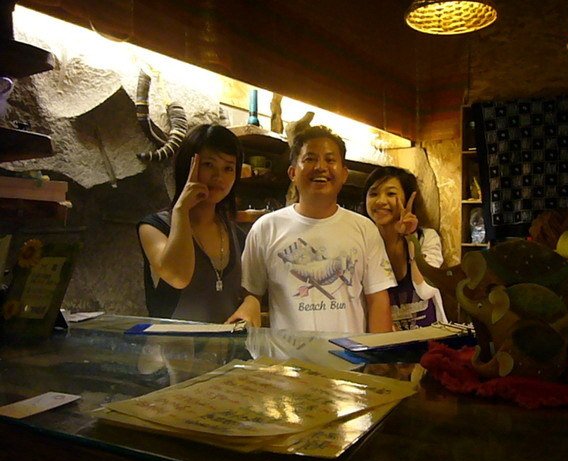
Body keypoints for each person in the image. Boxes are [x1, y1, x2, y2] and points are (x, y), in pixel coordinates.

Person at [228, 126, 395, 333]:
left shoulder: (365, 229)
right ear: (292, 173)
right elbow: (252, 293)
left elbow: (378, 301)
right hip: (288, 355)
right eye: (310, 159)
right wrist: (249, 305)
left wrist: (380, 352)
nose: (321, 167)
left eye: (330, 160)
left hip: (351, 354)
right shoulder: (266, 228)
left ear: (344, 174)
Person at [138, 124, 249, 324]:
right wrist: (181, 210)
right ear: (187, 166)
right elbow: (178, 276)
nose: (218, 176)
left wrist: (251, 302)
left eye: (228, 168)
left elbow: (252, 291)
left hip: (227, 344)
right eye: (208, 164)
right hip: (169, 343)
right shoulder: (154, 227)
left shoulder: (238, 236)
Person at [363, 166, 448, 331]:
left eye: (391, 194)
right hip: (385, 341)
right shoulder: (362, 244)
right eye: (373, 194)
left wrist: (411, 239)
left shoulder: (426, 238)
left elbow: (426, 290)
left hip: (430, 340)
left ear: (408, 199)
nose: (380, 201)